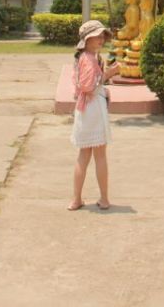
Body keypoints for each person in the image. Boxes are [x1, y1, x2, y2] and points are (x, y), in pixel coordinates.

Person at [70, 19, 120, 211]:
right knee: (100, 155)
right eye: (96, 36)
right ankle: (104, 199)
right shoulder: (90, 59)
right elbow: (89, 87)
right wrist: (109, 74)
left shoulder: (84, 57)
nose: (100, 39)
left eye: (102, 36)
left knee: (83, 155)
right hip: (93, 109)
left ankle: (76, 199)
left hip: (84, 109)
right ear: (87, 40)